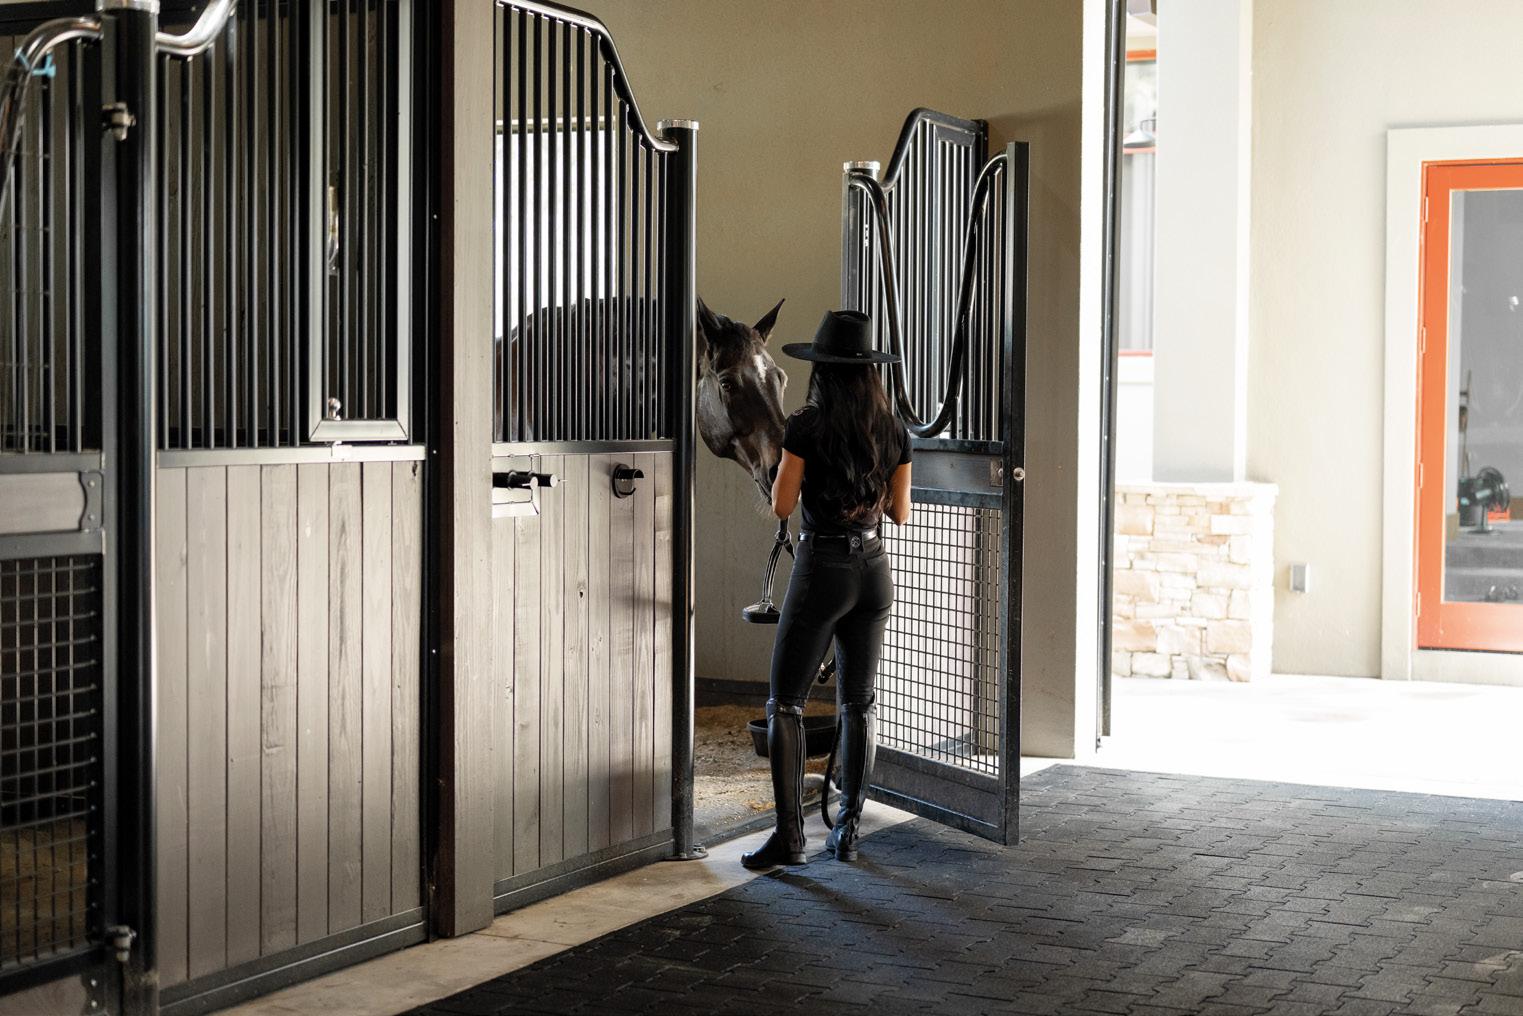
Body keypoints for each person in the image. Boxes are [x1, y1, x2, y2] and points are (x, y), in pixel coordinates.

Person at [742, 309, 912, 869]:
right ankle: (848, 832)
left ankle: (790, 838)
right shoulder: (892, 429)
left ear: (822, 368)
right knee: (859, 702)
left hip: (823, 567)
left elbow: (782, 505)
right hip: (874, 571)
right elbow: (901, 513)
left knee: (785, 702)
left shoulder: (807, 425)